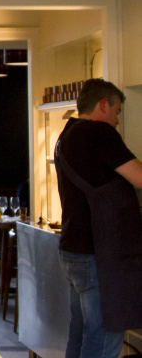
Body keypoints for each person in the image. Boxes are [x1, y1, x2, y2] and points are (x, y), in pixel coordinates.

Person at [55, 78, 142, 358]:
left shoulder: (65, 135)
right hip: (98, 253)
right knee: (104, 336)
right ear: (103, 104)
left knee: (80, 332)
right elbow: (139, 177)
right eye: (116, 111)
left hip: (73, 248)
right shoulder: (99, 133)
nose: (116, 120)